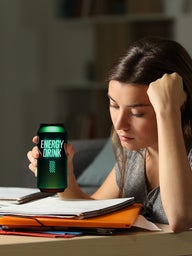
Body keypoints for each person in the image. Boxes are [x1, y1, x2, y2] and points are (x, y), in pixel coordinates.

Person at [27, 36, 192, 233]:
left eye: (137, 113)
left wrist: (168, 111)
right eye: (114, 105)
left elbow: (180, 219)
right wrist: (66, 178)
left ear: (178, 105)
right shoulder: (135, 155)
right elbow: (92, 209)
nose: (120, 124)